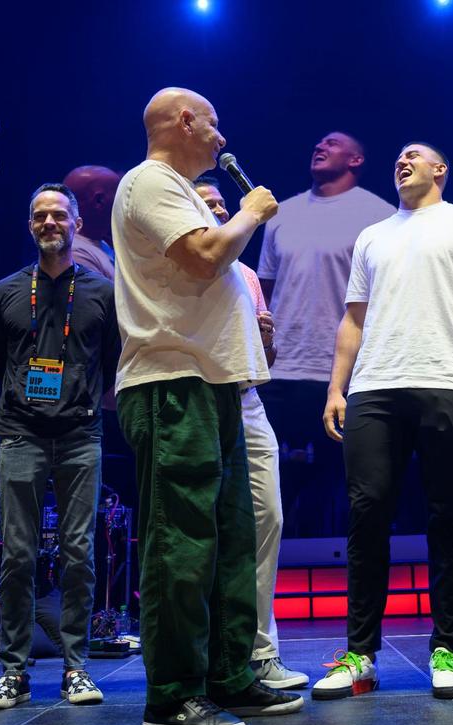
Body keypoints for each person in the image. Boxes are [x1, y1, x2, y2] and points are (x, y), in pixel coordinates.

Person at [112, 87, 302, 725]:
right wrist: (250, 211)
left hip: (213, 385)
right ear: (185, 121)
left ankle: (226, 677)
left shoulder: (178, 189)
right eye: (214, 125)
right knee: (181, 544)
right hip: (172, 384)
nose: (222, 139)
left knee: (227, 541)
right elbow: (202, 255)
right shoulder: (151, 181)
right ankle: (170, 696)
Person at [313, 142, 453, 701]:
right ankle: (360, 657)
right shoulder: (374, 235)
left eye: (414, 154)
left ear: (440, 169)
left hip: (448, 380)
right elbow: (354, 318)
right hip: (374, 387)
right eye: (397, 156)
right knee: (367, 512)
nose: (401, 160)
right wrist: (337, 386)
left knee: (448, 514)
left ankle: (446, 649)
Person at [0, 183, 118, 711]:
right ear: (30, 226)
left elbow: (110, 358)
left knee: (79, 554)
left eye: (60, 214)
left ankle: (75, 668)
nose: (50, 223)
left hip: (81, 435)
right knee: (17, 556)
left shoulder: (102, 293)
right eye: (40, 215)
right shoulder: (9, 291)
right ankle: (13, 672)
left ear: (76, 223)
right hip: (20, 434)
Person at [195, 177, 309, 690]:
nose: (218, 208)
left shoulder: (245, 272)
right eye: (207, 202)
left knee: (268, 518)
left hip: (248, 401)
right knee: (206, 532)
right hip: (199, 404)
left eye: (222, 202)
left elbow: (267, 355)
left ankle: (259, 652)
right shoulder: (182, 266)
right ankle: (208, 654)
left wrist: (266, 340)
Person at [256, 132, 395, 536]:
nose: (320, 146)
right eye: (317, 143)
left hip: (340, 371)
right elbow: (263, 290)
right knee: (273, 480)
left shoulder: (379, 214)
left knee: (339, 484)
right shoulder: (280, 212)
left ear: (356, 160)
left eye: (332, 144)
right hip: (281, 366)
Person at [64, 166, 121, 280]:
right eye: (119, 194)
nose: (124, 202)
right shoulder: (75, 254)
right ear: (99, 201)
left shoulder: (100, 242)